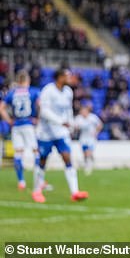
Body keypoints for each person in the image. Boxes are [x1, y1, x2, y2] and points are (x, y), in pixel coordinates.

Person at [32, 68, 89, 203]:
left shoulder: (68, 92)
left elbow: (68, 110)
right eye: (67, 75)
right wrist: (60, 122)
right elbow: (44, 112)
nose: (70, 78)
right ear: (59, 77)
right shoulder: (48, 90)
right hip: (46, 132)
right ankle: (36, 190)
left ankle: (75, 192)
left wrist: (70, 123)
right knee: (42, 161)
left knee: (67, 158)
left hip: (61, 133)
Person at [0, 70, 40, 191]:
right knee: (36, 152)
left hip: (16, 125)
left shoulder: (12, 93)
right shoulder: (33, 91)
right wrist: (38, 118)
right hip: (28, 124)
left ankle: (21, 181)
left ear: (18, 81)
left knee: (18, 153)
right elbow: (40, 105)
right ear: (27, 80)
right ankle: (39, 180)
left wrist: (9, 120)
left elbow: (1, 108)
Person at [73, 102, 103, 175]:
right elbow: (75, 126)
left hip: (91, 138)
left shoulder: (93, 117)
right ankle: (89, 162)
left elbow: (100, 125)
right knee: (85, 153)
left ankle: (88, 166)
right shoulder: (78, 118)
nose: (83, 112)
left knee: (88, 152)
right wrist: (76, 128)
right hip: (83, 138)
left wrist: (96, 132)